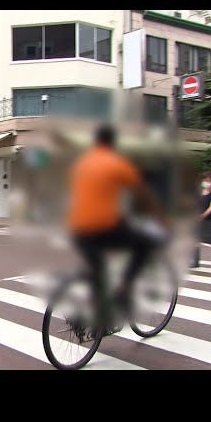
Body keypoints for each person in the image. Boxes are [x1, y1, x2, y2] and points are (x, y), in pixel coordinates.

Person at [67, 125, 170, 329]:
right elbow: (143, 195)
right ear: (112, 142)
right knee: (145, 245)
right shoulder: (117, 163)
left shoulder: (81, 164)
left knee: (98, 272)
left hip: (78, 229)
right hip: (104, 226)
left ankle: (94, 315)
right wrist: (164, 219)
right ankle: (123, 290)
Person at [191, 171, 211, 268]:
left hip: (209, 220)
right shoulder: (199, 192)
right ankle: (195, 261)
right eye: (205, 180)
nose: (206, 182)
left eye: (208, 180)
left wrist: (203, 215)